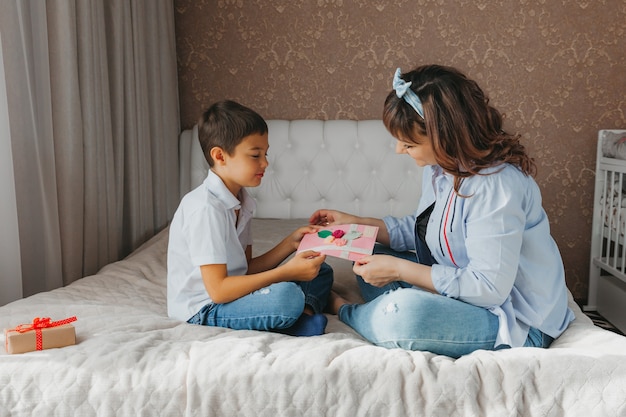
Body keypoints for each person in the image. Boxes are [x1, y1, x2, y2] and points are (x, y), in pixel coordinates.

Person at [310, 65, 575, 357]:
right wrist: (358, 224)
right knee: (368, 256)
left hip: (515, 319)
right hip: (468, 291)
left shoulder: (496, 186)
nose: (399, 150)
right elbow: (426, 230)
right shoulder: (442, 170)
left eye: (409, 143)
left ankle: (349, 311)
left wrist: (401, 269)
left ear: (445, 136)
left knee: (403, 315)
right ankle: (396, 309)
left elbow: (489, 288)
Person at [168, 100, 333, 336]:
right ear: (220, 156)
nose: (265, 163)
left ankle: (302, 316)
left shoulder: (241, 201)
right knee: (287, 296)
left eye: (265, 154)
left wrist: (290, 244)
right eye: (255, 155)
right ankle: (296, 314)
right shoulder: (205, 209)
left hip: (234, 291)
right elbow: (219, 291)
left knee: (321, 270)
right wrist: (287, 273)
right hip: (205, 308)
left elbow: (245, 270)